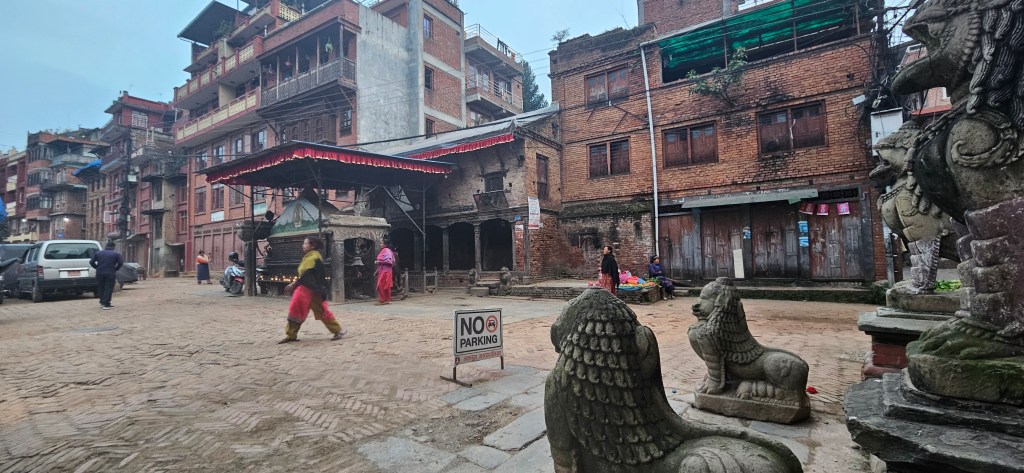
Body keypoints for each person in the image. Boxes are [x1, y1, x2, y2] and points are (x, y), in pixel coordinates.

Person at [279, 236, 345, 344]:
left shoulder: (314, 258)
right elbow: (304, 276)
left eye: (305, 243)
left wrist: (294, 284)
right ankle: (291, 334)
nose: (303, 245)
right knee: (295, 310)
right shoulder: (308, 258)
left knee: (321, 311)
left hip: (312, 290)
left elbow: (307, 276)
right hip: (305, 289)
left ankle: (337, 330)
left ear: (312, 246)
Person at [90, 241, 123, 310]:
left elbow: (91, 262)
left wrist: (97, 267)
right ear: (113, 247)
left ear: (106, 246)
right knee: (108, 288)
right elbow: (120, 263)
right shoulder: (116, 254)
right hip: (110, 272)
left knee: (101, 287)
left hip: (99, 272)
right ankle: (106, 303)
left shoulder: (98, 253)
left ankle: (102, 302)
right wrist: (116, 269)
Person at [375, 239, 394, 305]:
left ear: (385, 244)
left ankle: (386, 299)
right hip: (382, 270)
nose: (380, 244)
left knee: (385, 285)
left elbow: (389, 261)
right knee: (382, 285)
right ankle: (385, 299)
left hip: (386, 271)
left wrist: (379, 262)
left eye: (381, 243)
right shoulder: (383, 250)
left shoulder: (387, 251)